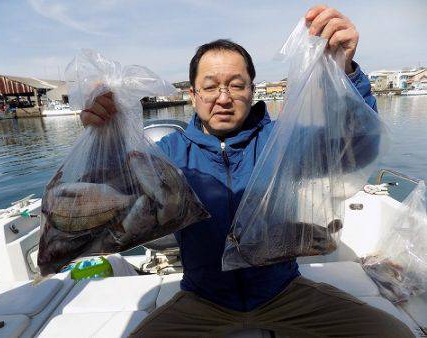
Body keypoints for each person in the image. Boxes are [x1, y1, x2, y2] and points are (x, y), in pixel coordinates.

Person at [81, 5, 414, 338]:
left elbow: (356, 149)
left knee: (394, 333)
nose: (223, 98)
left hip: (283, 293)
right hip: (203, 300)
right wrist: (104, 135)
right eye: (210, 87)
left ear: (251, 90)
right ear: (194, 96)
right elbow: (107, 193)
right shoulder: (170, 153)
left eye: (236, 85)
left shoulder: (282, 142)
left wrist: (345, 72)